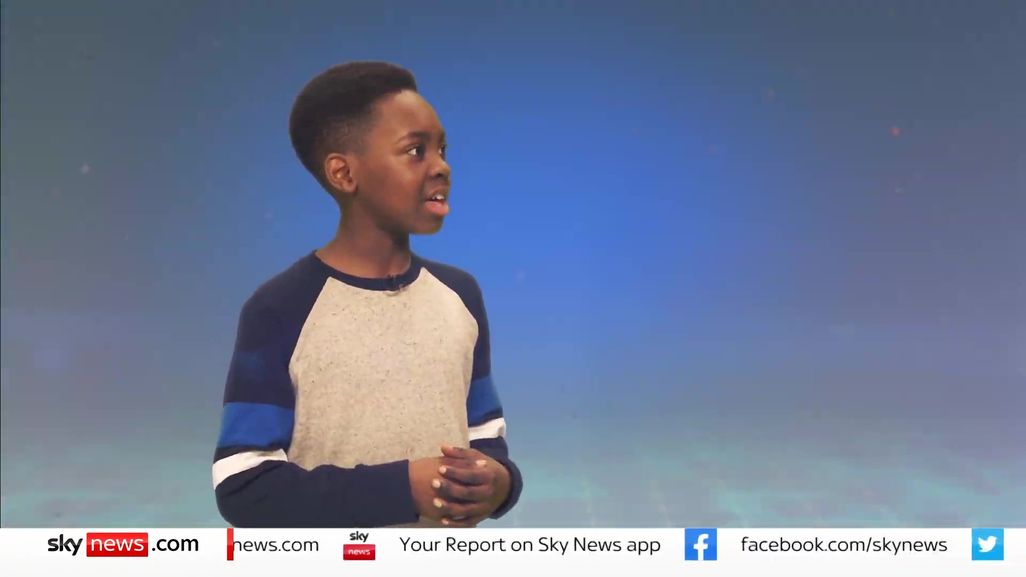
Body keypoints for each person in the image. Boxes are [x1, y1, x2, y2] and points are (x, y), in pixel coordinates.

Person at [212, 61, 523, 527]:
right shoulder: (279, 309)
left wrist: (499, 483)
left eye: (442, 149)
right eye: (415, 151)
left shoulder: (461, 296)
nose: (441, 166)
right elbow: (243, 483)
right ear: (343, 174)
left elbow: (484, 435)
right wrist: (403, 489)